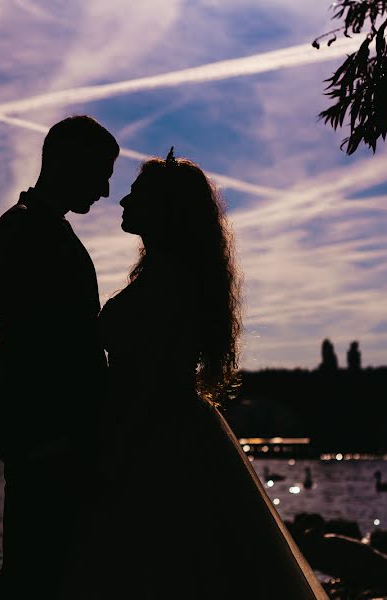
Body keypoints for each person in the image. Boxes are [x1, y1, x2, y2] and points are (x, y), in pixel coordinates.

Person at [65, 149, 327, 599]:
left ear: (166, 211)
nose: (123, 202)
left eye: (136, 195)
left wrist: (114, 455)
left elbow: (151, 379)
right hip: (169, 429)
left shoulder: (168, 282)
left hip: (152, 437)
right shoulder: (174, 275)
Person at [0, 115, 119, 600]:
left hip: (54, 440)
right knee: (36, 574)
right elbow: (44, 347)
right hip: (48, 440)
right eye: (101, 173)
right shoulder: (26, 232)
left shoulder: (37, 230)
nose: (106, 190)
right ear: (69, 163)